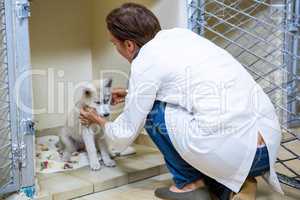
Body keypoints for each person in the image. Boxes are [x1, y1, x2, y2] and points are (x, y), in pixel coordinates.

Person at [79, 3, 283, 200]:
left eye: (114, 44)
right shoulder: (182, 36)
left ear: (129, 45)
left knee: (152, 112)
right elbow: (184, 88)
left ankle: (188, 185)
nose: (116, 48)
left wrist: (99, 120)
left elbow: (124, 133)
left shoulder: (144, 62)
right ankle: (236, 185)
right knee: (186, 112)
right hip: (268, 146)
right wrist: (130, 92)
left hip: (238, 153)